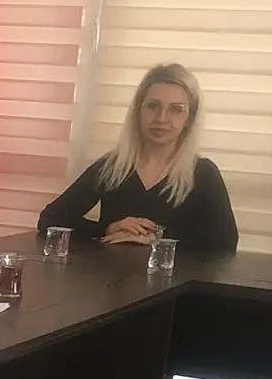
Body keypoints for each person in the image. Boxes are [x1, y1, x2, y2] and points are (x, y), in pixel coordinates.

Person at [40, 62, 239, 252]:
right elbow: (50, 219)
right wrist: (107, 229)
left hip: (178, 277)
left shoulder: (204, 174)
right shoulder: (112, 167)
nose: (161, 118)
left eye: (176, 109)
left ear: (190, 118)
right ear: (138, 111)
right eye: (152, 106)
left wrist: (155, 240)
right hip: (111, 276)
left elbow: (225, 245)